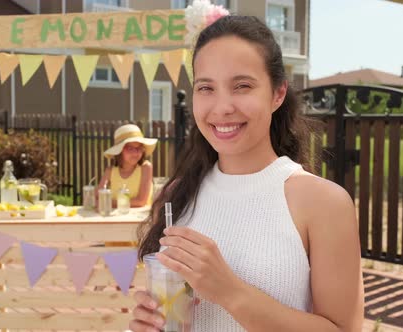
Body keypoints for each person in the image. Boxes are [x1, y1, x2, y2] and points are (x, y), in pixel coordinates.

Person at [130, 15, 364, 332]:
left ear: (278, 93)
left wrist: (228, 291)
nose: (222, 106)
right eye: (206, 88)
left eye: (242, 86)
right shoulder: (176, 196)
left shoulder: (323, 204)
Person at [97, 124, 157, 208]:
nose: (136, 153)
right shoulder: (110, 171)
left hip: (139, 218)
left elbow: (141, 201)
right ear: (119, 151)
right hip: (114, 219)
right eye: (130, 148)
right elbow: (97, 198)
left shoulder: (145, 167)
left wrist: (108, 203)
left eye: (139, 148)